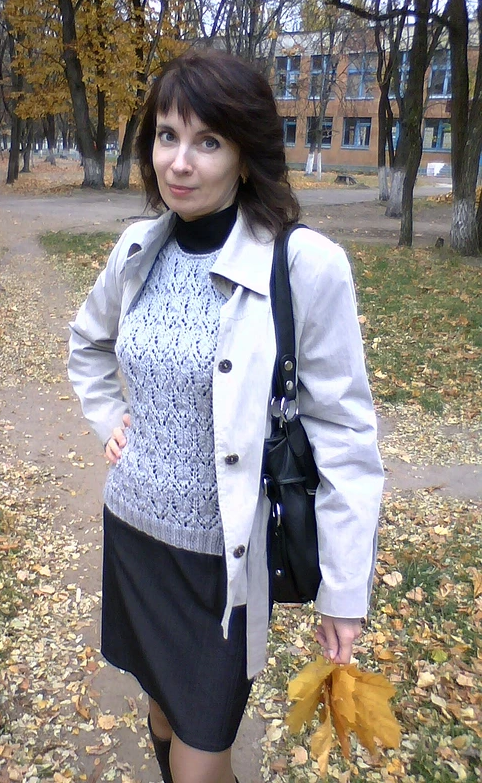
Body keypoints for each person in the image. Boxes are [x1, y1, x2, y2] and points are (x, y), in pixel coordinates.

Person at [68, 50, 384, 783]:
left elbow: (344, 432)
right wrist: (109, 416)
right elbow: (87, 343)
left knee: (201, 746)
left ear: (246, 154)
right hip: (136, 535)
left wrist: (344, 591)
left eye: (207, 141)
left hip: (224, 568)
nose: (180, 162)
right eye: (167, 135)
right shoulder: (138, 247)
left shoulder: (303, 265)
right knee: (161, 712)